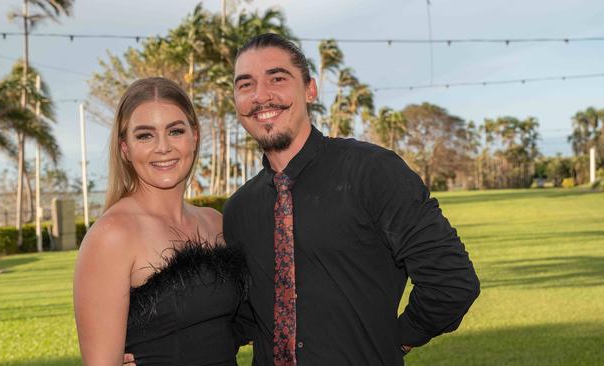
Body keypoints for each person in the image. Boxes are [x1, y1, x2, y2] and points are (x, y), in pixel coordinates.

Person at [222, 33, 481, 365]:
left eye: (277, 78)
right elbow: (244, 317)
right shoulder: (239, 211)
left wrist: (397, 340)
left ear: (310, 89)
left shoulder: (373, 172)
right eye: (245, 85)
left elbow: (452, 280)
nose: (261, 95)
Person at [74, 77, 247, 366]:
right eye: (145, 135)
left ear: (195, 136)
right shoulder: (112, 235)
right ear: (125, 149)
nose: (163, 147)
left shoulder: (215, 223)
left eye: (175, 131)